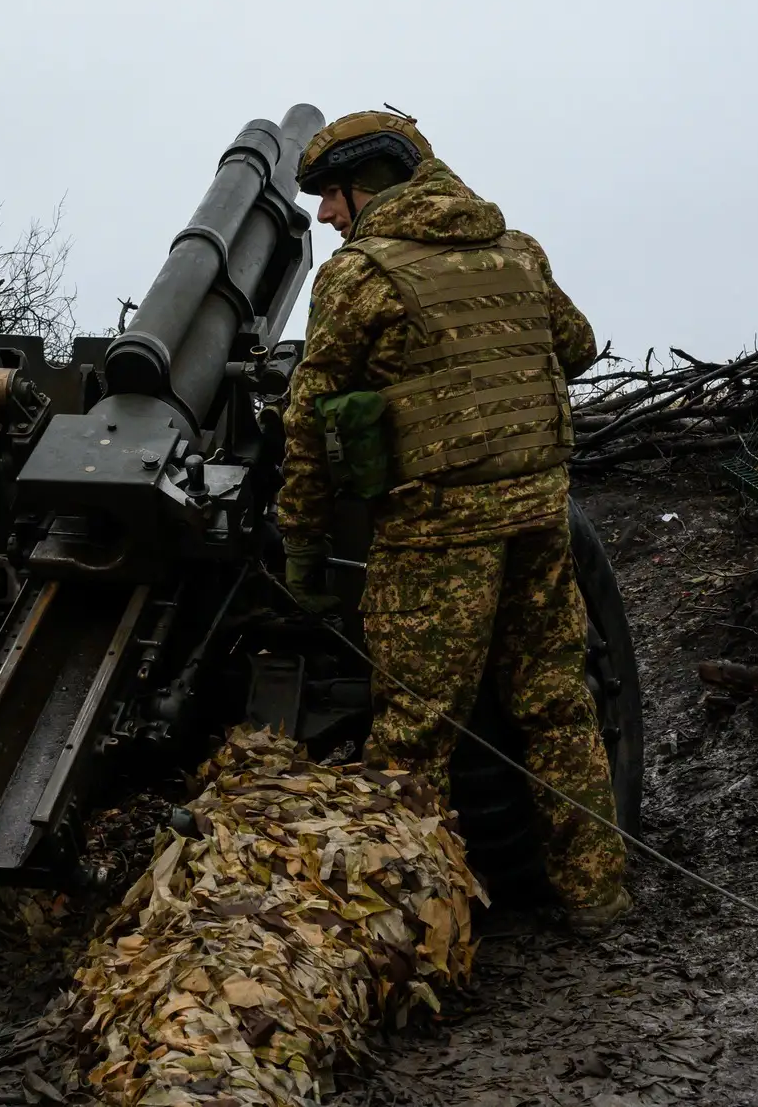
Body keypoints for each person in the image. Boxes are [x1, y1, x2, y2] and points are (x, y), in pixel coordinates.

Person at [275, 109, 631, 932]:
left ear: (370, 187)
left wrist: (302, 542)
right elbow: (573, 345)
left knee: (413, 735)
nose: (327, 215)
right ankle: (597, 894)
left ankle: (408, 933)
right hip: (538, 515)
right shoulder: (516, 250)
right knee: (556, 702)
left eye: (332, 196)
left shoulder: (362, 274)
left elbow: (309, 417)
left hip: (435, 534)